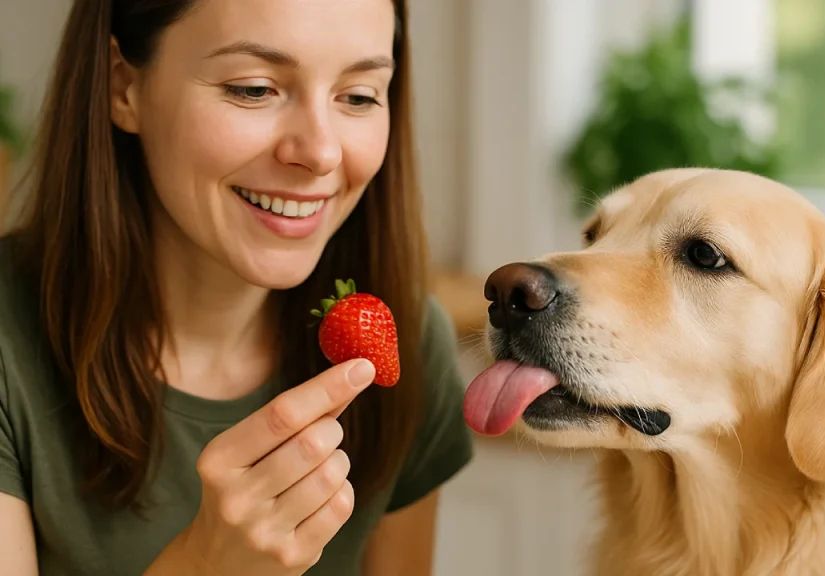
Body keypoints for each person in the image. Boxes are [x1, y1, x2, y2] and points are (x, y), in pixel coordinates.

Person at [0, 0, 475, 574]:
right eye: (254, 89)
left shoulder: (407, 341)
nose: (322, 152)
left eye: (358, 96)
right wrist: (202, 565)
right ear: (123, 86)